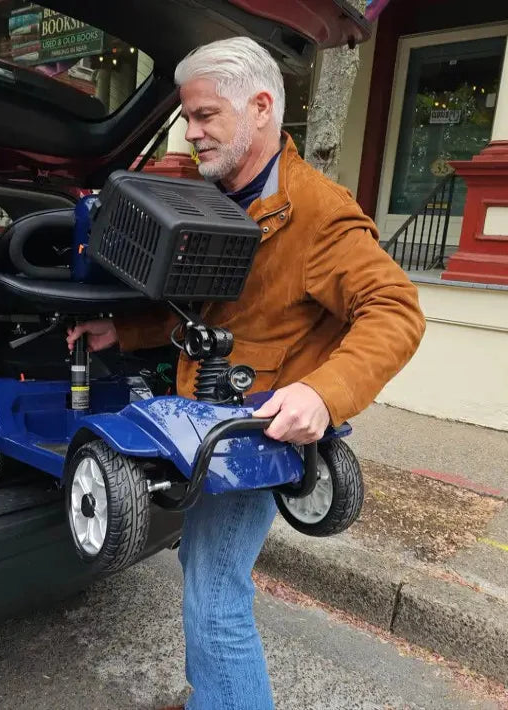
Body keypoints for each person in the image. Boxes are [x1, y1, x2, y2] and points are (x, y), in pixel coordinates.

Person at [67, 36, 426, 710]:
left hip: (252, 433)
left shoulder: (317, 211)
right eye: (188, 117)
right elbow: (215, 311)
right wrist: (130, 331)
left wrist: (322, 393)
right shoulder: (228, 194)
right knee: (206, 575)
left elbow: (397, 311)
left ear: (261, 107)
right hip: (203, 421)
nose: (191, 132)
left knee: (216, 595)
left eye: (204, 116)